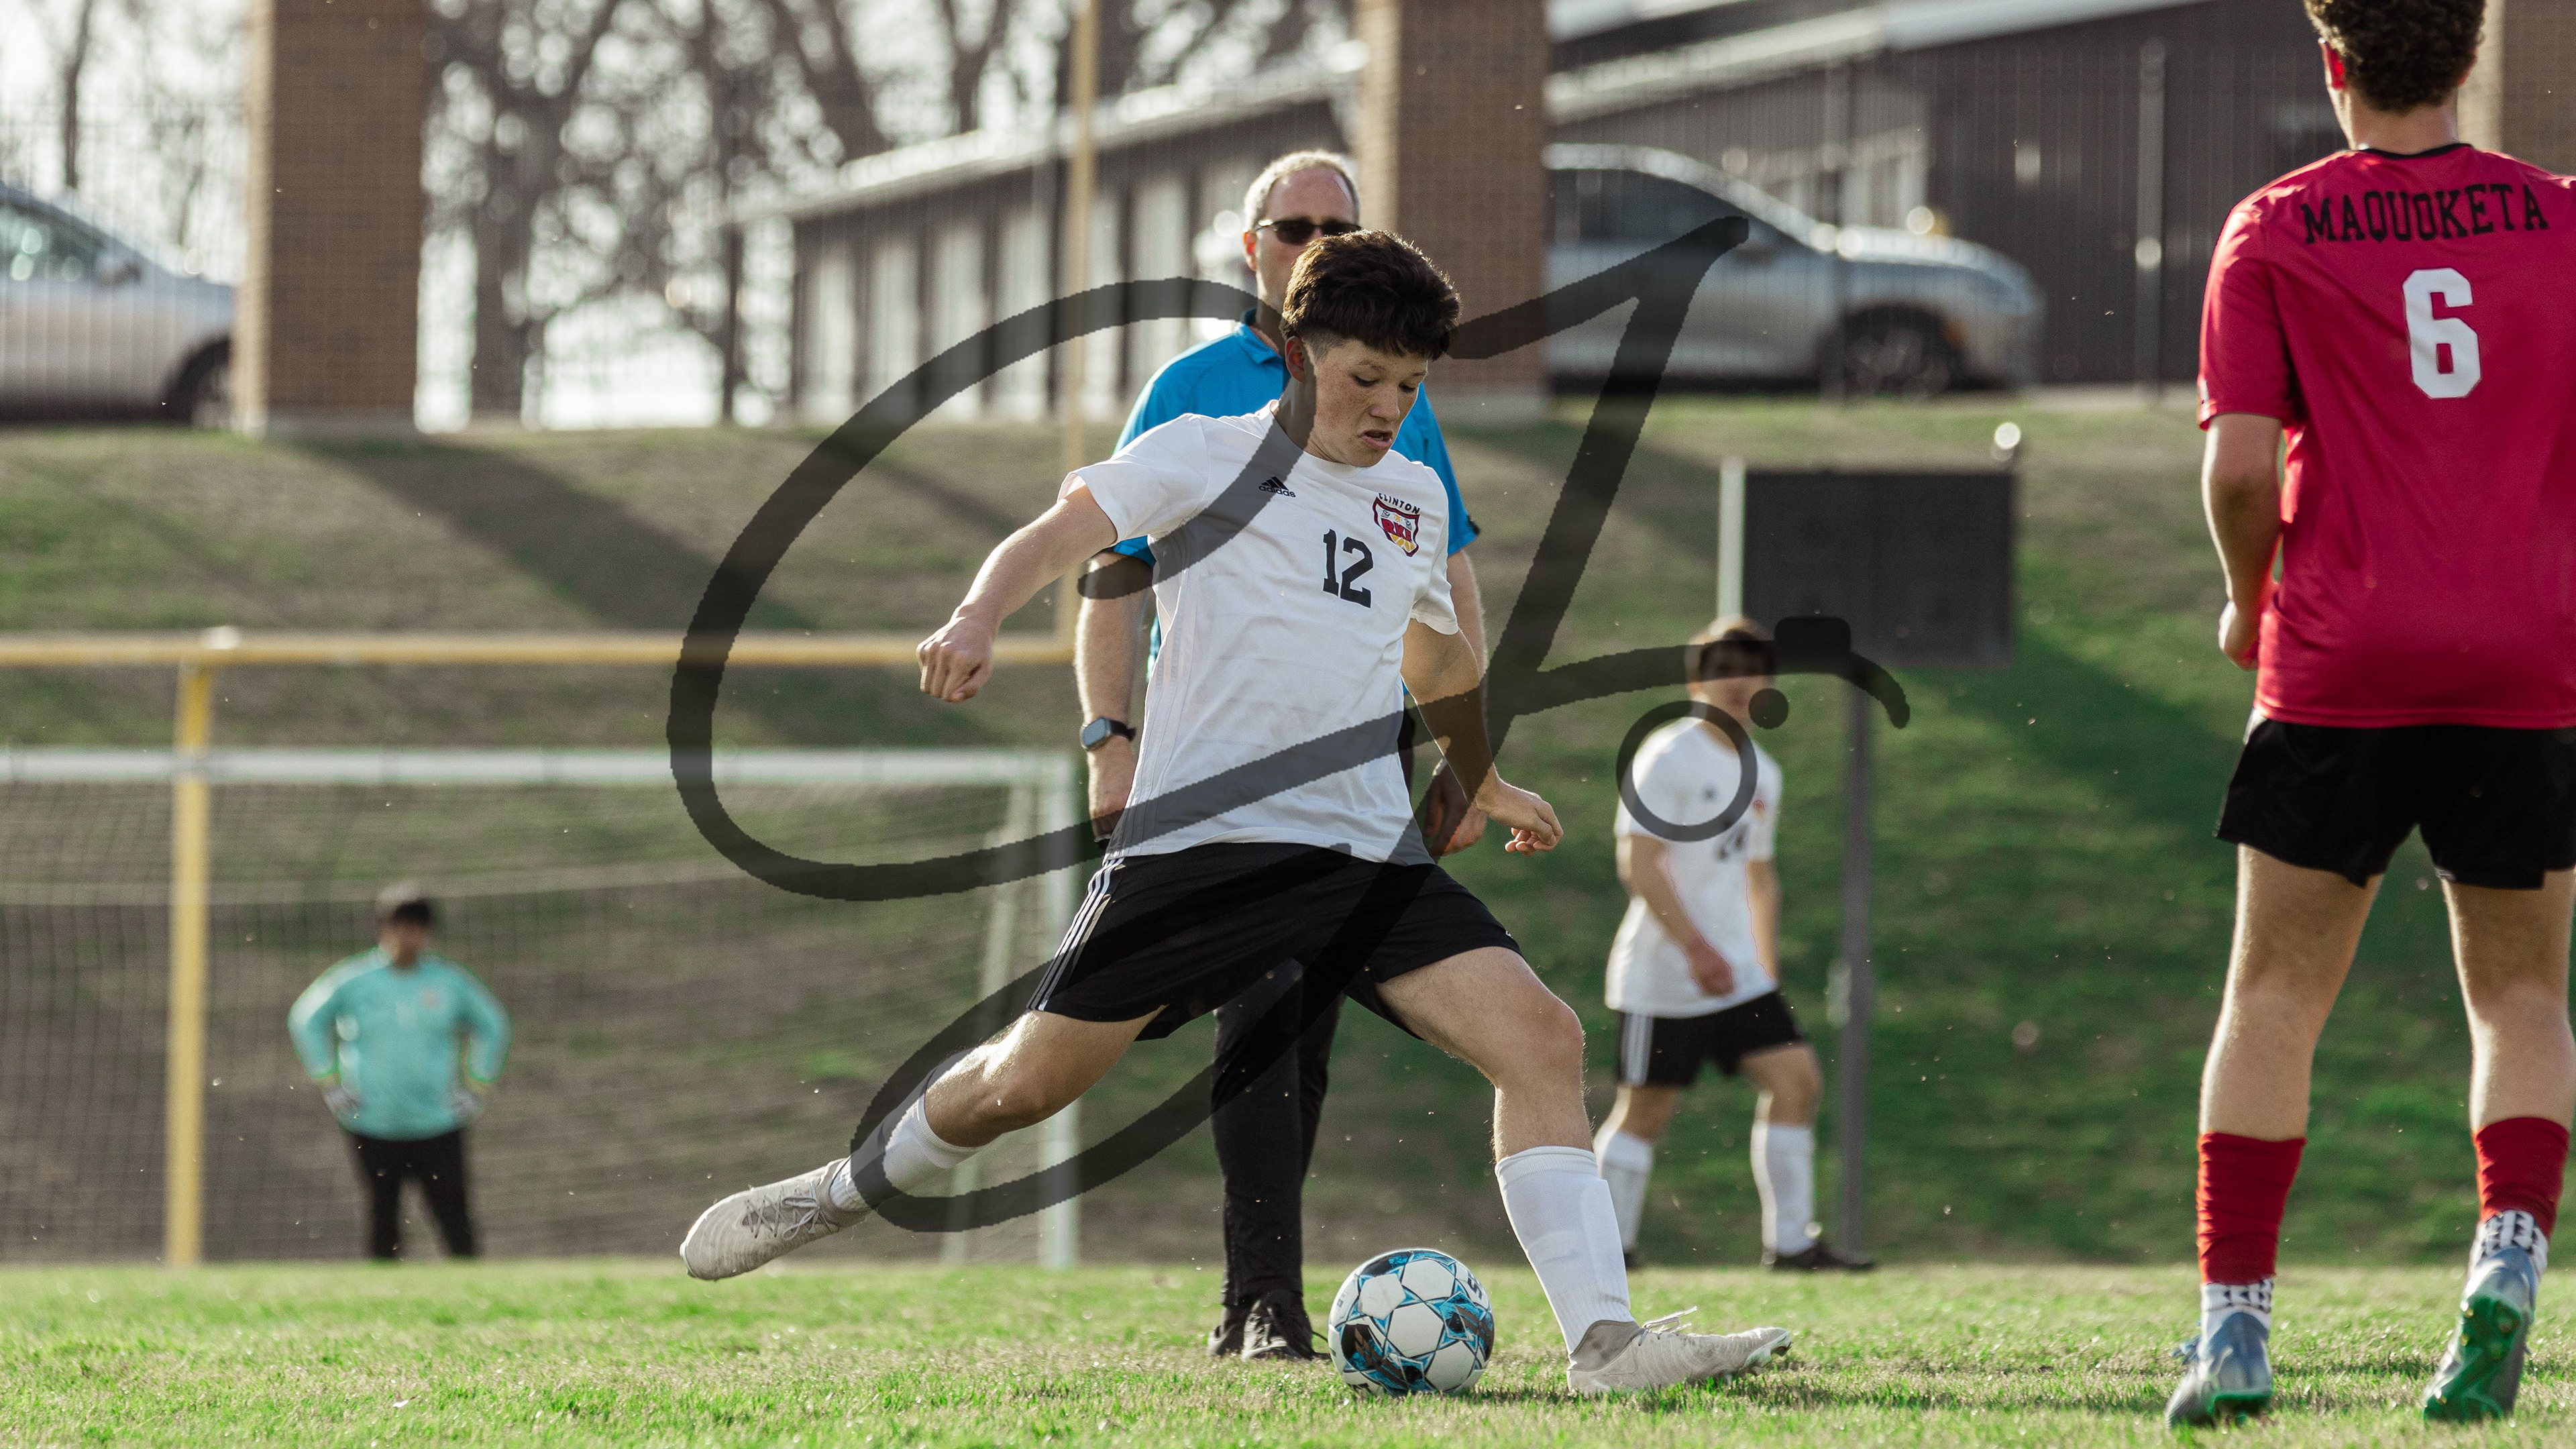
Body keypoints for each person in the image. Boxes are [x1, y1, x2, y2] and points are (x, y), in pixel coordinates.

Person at [683, 229, 1793, 1395]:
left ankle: (1606, 1345)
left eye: (1410, 386)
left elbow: (1433, 658)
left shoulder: (1413, 497)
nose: (1389, 408)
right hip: (1200, 850)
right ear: (1297, 353)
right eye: (1367, 378)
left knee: (1544, 1039)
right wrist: (975, 615)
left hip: (1362, 854)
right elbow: (1056, 540)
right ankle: (839, 1191)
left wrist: (1478, 774)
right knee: (1023, 1086)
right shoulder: (1204, 454)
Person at [2169, 0, 2576, 1426]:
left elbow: (2238, 469)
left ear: (2333, 60)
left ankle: (2234, 1334)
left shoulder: (2274, 227)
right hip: (2525, 665)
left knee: (2273, 997)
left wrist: (2247, 599)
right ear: (2469, 59)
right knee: (2521, 996)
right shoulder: (2562, 219)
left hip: (2340, 661)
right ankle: (2507, 1260)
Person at [1075, 148, 1490, 1361]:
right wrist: (1109, 737)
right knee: (1238, 1007)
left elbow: (1443, 573)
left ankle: (1263, 1301)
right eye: (1295, 224)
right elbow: (1114, 572)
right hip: (1216, 761)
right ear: (1250, 244)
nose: (1316, 240)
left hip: (1356, 757)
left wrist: (1471, 756)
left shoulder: (1395, 389)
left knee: (1297, 1020)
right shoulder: (1193, 389)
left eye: (1338, 226)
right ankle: (1259, 1297)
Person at [1591, 619, 1870, 1273]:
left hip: (1738, 974)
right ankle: (1610, 1251)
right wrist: (1696, 949)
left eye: (1752, 668)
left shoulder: (1763, 772)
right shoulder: (1667, 755)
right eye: (1723, 670)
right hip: (1665, 972)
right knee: (1646, 1110)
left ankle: (1792, 1246)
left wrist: (1763, 967)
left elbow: (1759, 877)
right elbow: (1639, 863)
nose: (1739, 682)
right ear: (1698, 682)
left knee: (1797, 1081)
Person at [288, 885, 512, 1261]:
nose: (408, 935)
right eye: (399, 926)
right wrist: (329, 1082)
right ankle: (384, 1292)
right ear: (383, 928)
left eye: (417, 927)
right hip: (373, 1120)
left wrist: (477, 1085)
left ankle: (470, 1286)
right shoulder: (353, 980)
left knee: (454, 1216)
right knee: (382, 1215)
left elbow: (493, 1025)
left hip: (438, 1121)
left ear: (429, 932)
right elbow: (306, 1020)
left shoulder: (449, 982)